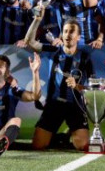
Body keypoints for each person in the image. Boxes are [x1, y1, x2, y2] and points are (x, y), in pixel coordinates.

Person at [24, 11, 95, 151]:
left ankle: (69, 134)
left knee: (83, 146)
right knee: (38, 146)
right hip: (54, 104)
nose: (68, 35)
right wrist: (37, 20)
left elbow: (92, 88)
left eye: (72, 32)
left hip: (75, 106)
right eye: (65, 31)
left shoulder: (85, 57)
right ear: (61, 34)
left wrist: (77, 86)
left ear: (78, 37)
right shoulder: (53, 50)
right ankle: (60, 138)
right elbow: (29, 42)